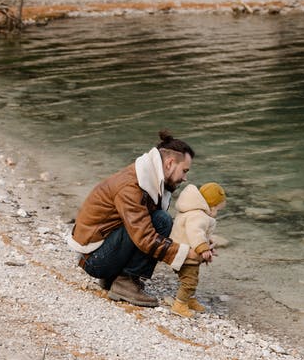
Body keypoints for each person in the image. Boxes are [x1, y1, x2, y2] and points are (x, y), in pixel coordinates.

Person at [67, 129, 201, 307]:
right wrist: (186, 254)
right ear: (169, 163)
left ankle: (116, 279)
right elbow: (144, 237)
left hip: (99, 251)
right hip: (95, 261)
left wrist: (198, 244)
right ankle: (125, 282)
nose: (185, 178)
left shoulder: (146, 179)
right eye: (184, 170)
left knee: (159, 220)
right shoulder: (132, 186)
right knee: (162, 220)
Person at [169, 181, 227, 318]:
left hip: (183, 253)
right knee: (189, 281)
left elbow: (200, 233)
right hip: (185, 255)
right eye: (217, 209)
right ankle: (179, 305)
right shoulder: (198, 215)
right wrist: (202, 247)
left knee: (192, 278)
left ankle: (190, 299)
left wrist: (208, 243)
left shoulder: (192, 211)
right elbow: (195, 232)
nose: (216, 213)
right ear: (211, 206)